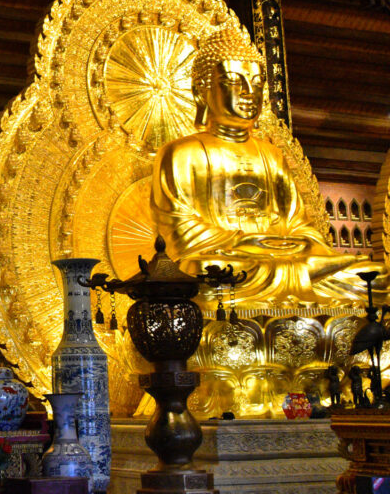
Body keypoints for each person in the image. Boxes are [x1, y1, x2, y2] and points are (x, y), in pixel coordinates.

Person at [151, 28, 382, 307]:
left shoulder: (271, 154)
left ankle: (296, 289)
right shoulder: (181, 153)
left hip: (282, 258)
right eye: (234, 82)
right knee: (203, 271)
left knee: (372, 276)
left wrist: (297, 243)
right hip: (229, 263)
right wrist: (248, 243)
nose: (250, 93)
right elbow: (179, 233)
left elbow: (299, 225)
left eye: (257, 83)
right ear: (201, 91)